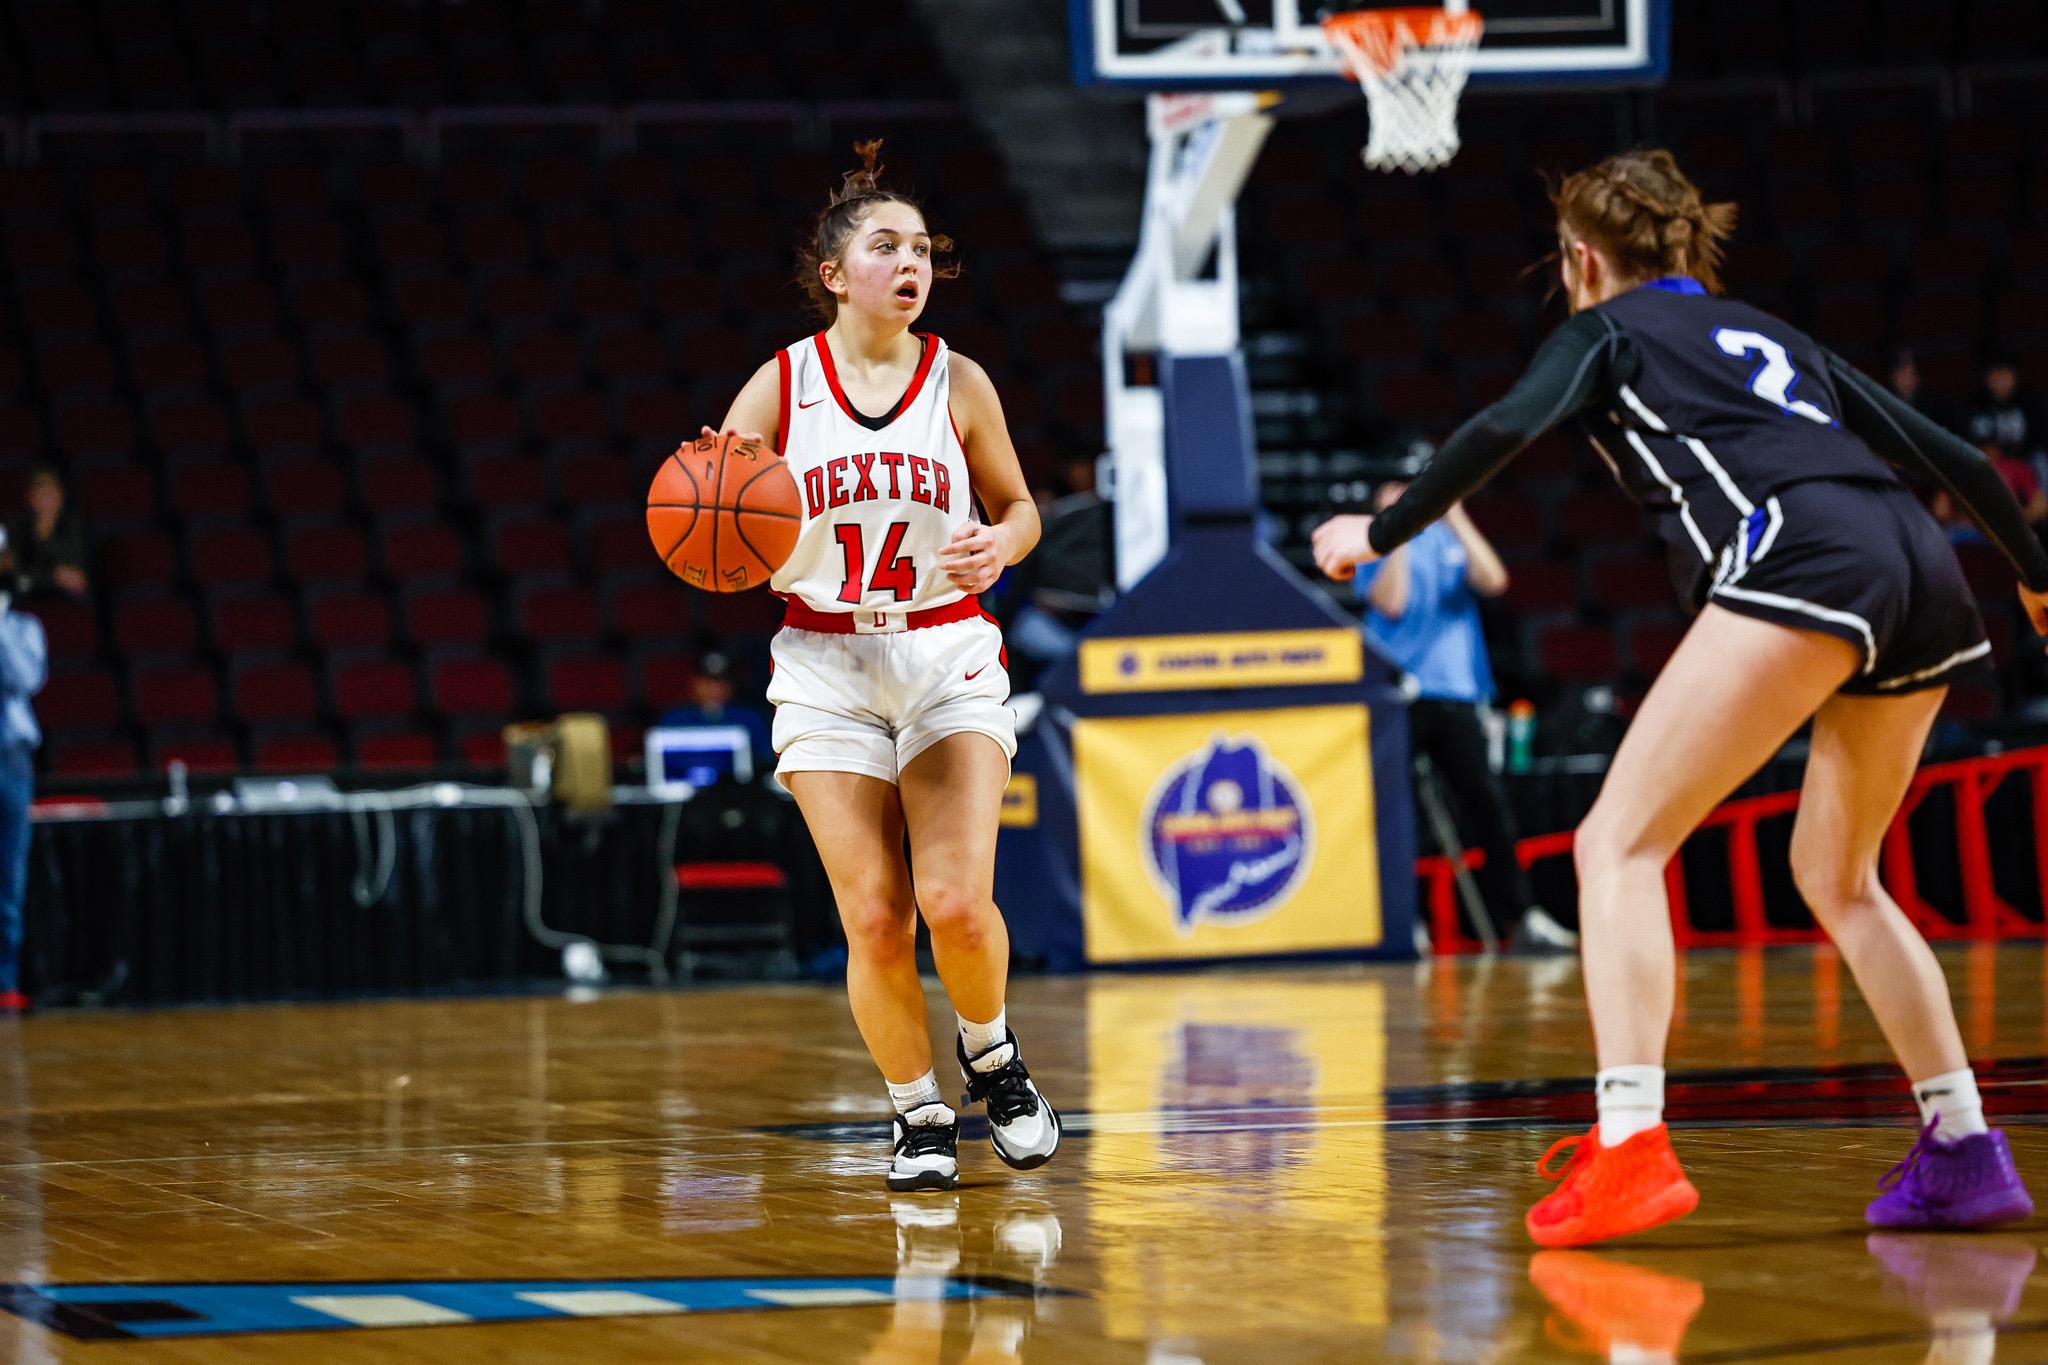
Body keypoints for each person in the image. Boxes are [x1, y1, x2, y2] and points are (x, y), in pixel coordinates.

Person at [1311, 149, 2044, 1248]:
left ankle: (1628, 1145)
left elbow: (1504, 427)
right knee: (1837, 878)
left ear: (1579, 257)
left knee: (1615, 844)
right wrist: (2032, 576)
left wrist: (1375, 532)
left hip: (1804, 550)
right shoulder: (1775, 336)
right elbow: (1962, 463)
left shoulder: (1604, 329)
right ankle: (1962, 1148)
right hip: (1920, 561)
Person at [702, 141, 1056, 1193]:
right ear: (833, 273)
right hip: (822, 660)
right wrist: (718, 536)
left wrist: (1004, 543)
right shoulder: (777, 387)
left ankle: (990, 1054)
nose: (910, 264)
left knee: (953, 900)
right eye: (884, 246)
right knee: (871, 916)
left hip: (944, 646)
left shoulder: (959, 378)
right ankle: (916, 1111)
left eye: (921, 250)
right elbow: (716, 531)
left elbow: (1022, 509)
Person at [1355, 477, 1575, 951]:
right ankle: (1403, 925)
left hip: (1458, 691)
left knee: (1488, 809)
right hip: (1399, 697)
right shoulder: (1369, 543)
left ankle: (1520, 920)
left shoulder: (1448, 536)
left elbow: (1495, 580)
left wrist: (1453, 512)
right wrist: (1393, 530)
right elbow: (1390, 601)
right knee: (1398, 816)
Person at [0, 551, 46, 1016]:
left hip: (10, 758)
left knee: (8, 878)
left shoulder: (24, 629)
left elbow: (26, 678)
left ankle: (5, 980)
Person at [654, 647, 773, 781]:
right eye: (708, 683)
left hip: (738, 794)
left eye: (721, 683)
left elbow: (766, 762)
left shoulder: (749, 719)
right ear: (693, 683)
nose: (715, 690)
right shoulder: (674, 720)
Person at [1, 467, 87, 600]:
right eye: (41, 492)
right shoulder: (15, 525)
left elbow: (75, 578)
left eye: (51, 492)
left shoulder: (74, 528)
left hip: (62, 601)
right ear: (30, 497)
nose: (47, 499)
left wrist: (30, 572)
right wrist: (51, 575)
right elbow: (8, 567)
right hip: (21, 598)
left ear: (61, 495)